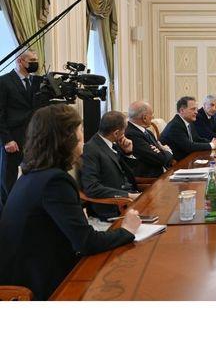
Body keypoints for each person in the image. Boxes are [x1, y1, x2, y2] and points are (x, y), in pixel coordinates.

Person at [0, 104, 141, 300]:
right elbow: (86, 242)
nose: (83, 142)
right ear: (66, 140)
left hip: (28, 270)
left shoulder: (32, 174)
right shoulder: (55, 181)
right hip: (37, 285)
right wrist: (127, 230)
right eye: (81, 134)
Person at [0, 50, 44, 205]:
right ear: (20, 61)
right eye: (32, 60)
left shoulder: (37, 81)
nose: (35, 63)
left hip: (33, 137)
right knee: (8, 178)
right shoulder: (4, 81)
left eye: (36, 59)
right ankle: (6, 211)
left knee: (33, 175)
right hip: (13, 137)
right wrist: (7, 140)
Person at [80, 111, 140, 220]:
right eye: (124, 130)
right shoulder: (91, 149)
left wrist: (128, 153)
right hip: (113, 208)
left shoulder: (112, 143)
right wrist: (127, 196)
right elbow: (91, 188)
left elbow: (127, 173)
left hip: (129, 198)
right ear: (116, 133)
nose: (125, 133)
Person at [160, 96, 216, 161]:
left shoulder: (189, 122)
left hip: (187, 158)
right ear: (182, 110)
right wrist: (212, 145)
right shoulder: (175, 125)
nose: (196, 112)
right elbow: (189, 147)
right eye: (193, 109)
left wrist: (213, 142)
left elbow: (197, 139)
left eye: (196, 109)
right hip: (176, 163)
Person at [125, 101, 173, 178]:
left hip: (162, 172)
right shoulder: (131, 134)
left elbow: (160, 155)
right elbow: (159, 159)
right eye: (151, 114)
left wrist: (161, 151)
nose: (153, 117)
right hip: (150, 178)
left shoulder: (148, 132)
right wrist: (168, 151)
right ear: (144, 117)